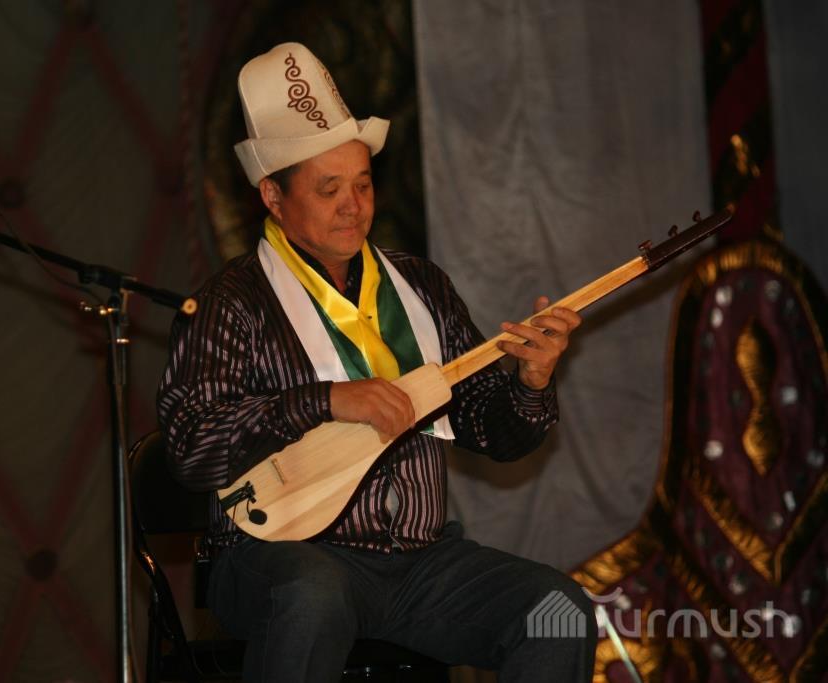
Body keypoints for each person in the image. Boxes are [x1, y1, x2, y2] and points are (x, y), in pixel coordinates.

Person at [157, 42, 596, 682]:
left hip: (419, 562)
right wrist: (324, 401)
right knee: (312, 596)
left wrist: (531, 380)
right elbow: (191, 448)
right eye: (328, 188)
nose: (353, 205)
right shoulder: (232, 301)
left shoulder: (419, 285)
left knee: (558, 611)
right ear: (273, 196)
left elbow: (492, 432)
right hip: (280, 555)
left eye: (362, 184)